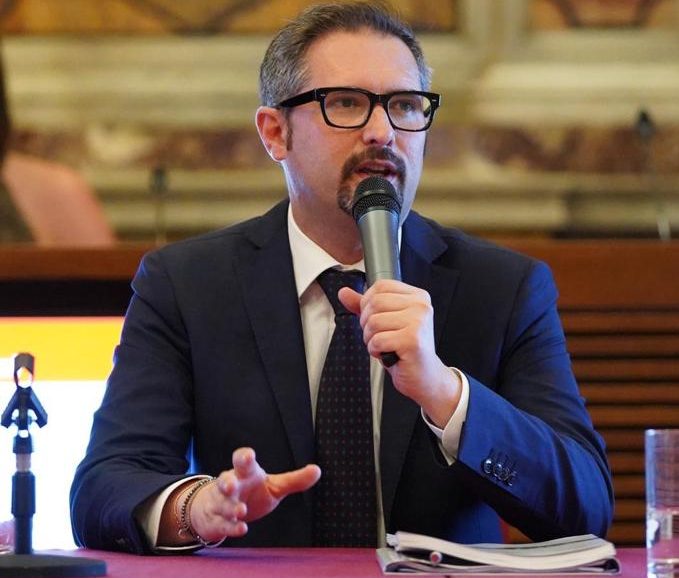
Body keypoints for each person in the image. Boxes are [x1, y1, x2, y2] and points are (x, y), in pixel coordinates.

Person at [70, 1, 613, 554]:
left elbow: (587, 507)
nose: (382, 132)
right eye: (347, 103)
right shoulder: (187, 285)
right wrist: (196, 508)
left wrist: (444, 393)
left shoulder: (502, 288)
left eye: (405, 106)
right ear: (275, 133)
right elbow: (104, 488)